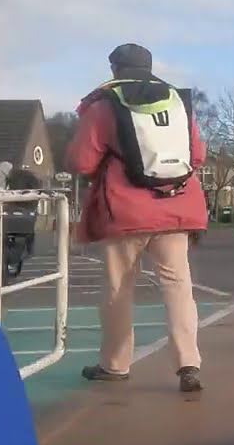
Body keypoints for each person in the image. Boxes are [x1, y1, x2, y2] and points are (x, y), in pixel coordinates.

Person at [66, 43, 207, 392]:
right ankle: (188, 364)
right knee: (178, 287)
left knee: (118, 289)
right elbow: (197, 155)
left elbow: (81, 162)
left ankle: (115, 365)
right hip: (176, 206)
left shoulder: (104, 104)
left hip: (125, 209)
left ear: (114, 67)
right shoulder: (176, 102)